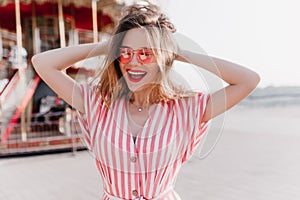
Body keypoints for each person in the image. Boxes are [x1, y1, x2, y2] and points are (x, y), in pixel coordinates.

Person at [32, 2, 260, 200]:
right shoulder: (96, 103)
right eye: (125, 53)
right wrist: (108, 46)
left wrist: (179, 52)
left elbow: (248, 80)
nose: (134, 62)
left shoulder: (187, 109)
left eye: (146, 54)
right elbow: (42, 62)